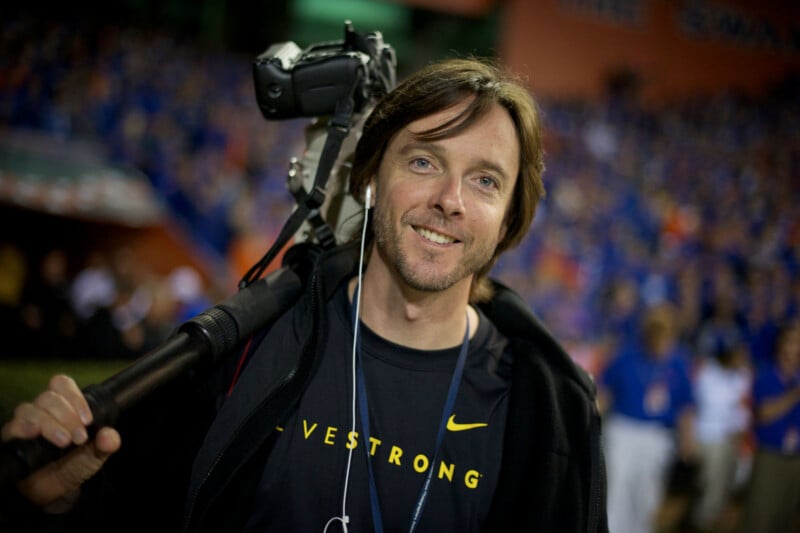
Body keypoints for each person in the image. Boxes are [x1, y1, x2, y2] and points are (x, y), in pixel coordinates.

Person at [0, 57, 608, 533]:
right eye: (424, 162)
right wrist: (58, 503)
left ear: (509, 219)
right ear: (371, 179)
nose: (450, 199)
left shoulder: (552, 415)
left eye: (485, 180)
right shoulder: (245, 345)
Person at [597, 301, 696, 533]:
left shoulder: (678, 363)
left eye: (666, 333)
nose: (661, 339)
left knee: (649, 493)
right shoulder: (626, 356)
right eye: (656, 332)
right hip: (623, 430)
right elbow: (604, 394)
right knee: (618, 487)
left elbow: (686, 406)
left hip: (658, 434)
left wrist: (688, 440)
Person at [738, 318, 800, 533]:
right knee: (759, 515)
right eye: (791, 341)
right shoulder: (766, 375)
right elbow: (763, 413)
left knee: (784, 517)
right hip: (770, 454)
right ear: (780, 344)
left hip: (796, 457)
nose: (795, 348)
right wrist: (794, 394)